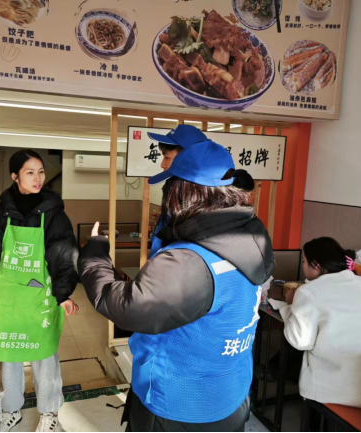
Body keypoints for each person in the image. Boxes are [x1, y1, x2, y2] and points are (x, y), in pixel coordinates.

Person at [79, 136, 275, 432]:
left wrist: (95, 256)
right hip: (231, 396)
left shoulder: (189, 260)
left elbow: (129, 307)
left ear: (182, 192)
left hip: (178, 404)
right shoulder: (254, 239)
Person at [0, 149, 79, 433]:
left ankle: (49, 412)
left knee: (45, 356)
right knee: (10, 355)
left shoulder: (54, 213)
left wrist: (63, 294)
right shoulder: (0, 212)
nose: (38, 178)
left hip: (41, 297)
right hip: (8, 298)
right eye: (30, 172)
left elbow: (64, 255)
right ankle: (11, 410)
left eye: (41, 172)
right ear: (15, 176)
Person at [281, 237, 361, 410]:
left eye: (304, 261)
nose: (303, 266)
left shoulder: (308, 291)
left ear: (316, 265)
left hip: (344, 390)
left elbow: (300, 341)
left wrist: (291, 305)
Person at [147, 125, 208, 258]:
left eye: (167, 158)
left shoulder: (197, 203)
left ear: (187, 158)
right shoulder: (173, 190)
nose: (162, 165)